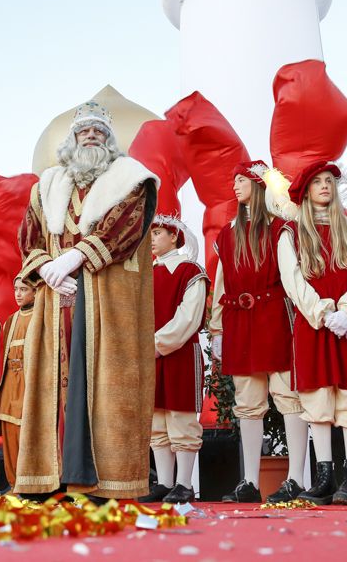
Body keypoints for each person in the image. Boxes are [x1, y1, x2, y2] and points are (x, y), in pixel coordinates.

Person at [16, 100, 158, 500]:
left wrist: (75, 258)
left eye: (99, 130)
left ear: (110, 140)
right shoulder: (47, 186)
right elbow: (29, 236)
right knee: (53, 384)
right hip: (56, 297)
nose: (91, 135)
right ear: (72, 140)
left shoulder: (131, 178)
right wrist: (47, 269)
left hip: (107, 300)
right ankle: (50, 479)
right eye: (84, 130)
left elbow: (126, 227)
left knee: (105, 386)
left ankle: (104, 483)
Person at [210, 160, 307, 504]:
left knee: (287, 396)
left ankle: (297, 478)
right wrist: (217, 328)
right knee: (247, 403)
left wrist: (309, 314)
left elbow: (290, 276)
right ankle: (249, 482)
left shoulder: (280, 228)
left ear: (258, 184)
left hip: (273, 317)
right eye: (233, 180)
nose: (235, 186)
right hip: (238, 321)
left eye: (241, 180)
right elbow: (221, 283)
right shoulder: (226, 233)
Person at [278, 160, 347, 506]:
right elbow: (293, 281)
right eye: (317, 181)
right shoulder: (290, 232)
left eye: (329, 181)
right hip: (313, 325)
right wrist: (322, 312)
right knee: (317, 399)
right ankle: (324, 476)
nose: (324, 186)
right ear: (305, 192)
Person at [139, 215, 208, 504]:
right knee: (156, 419)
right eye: (151, 233)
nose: (152, 238)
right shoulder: (145, 274)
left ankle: (184, 483)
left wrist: (155, 344)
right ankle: (165, 482)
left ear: (174, 236)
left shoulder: (189, 270)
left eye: (158, 233)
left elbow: (189, 316)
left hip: (179, 353)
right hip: (150, 355)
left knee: (181, 418)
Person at [0, 275, 37, 489]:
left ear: (35, 291)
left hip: (30, 383)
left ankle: (30, 484)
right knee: (9, 430)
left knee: (27, 432)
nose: (18, 294)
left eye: (23, 289)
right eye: (16, 289)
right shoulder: (10, 320)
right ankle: (14, 484)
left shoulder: (42, 316)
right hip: (10, 382)